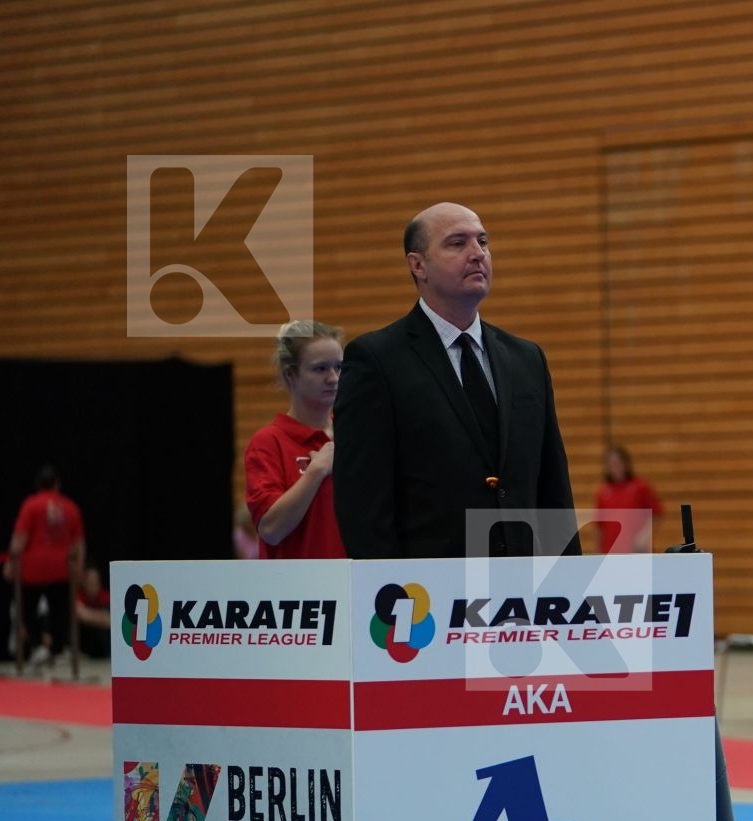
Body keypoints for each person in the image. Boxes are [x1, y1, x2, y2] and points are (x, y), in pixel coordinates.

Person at [334, 202, 576, 558]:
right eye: (457, 243)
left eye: (483, 241)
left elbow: (553, 489)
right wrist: (393, 600)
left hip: (523, 592)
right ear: (418, 265)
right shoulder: (377, 360)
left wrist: (569, 589)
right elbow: (363, 505)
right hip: (429, 596)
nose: (478, 254)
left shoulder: (526, 359)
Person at [244, 320, 348, 559]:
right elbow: (271, 529)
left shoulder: (354, 434)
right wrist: (316, 471)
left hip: (352, 583)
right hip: (297, 589)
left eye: (339, 367)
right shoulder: (269, 442)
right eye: (320, 369)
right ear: (291, 374)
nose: (333, 378)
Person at [5, 465, 85, 669]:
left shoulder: (31, 506)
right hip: (61, 568)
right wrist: (79, 569)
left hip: (34, 568)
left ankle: (40, 645)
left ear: (38, 485)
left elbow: (19, 539)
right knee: (61, 612)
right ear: (57, 484)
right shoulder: (70, 507)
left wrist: (10, 564)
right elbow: (78, 543)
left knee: (26, 609)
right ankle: (56, 649)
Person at [593, 446, 662, 554]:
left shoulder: (640, 486)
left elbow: (656, 514)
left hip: (636, 550)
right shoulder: (603, 492)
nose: (614, 468)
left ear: (625, 464)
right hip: (611, 551)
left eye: (617, 463)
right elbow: (599, 527)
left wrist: (645, 536)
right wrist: (598, 551)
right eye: (611, 464)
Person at [75, 566, 110, 660]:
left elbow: (112, 620)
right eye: (90, 582)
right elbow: (81, 615)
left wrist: (90, 615)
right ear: (84, 582)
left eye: (95, 582)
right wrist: (101, 617)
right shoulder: (78, 596)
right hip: (84, 644)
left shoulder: (105, 596)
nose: (93, 586)